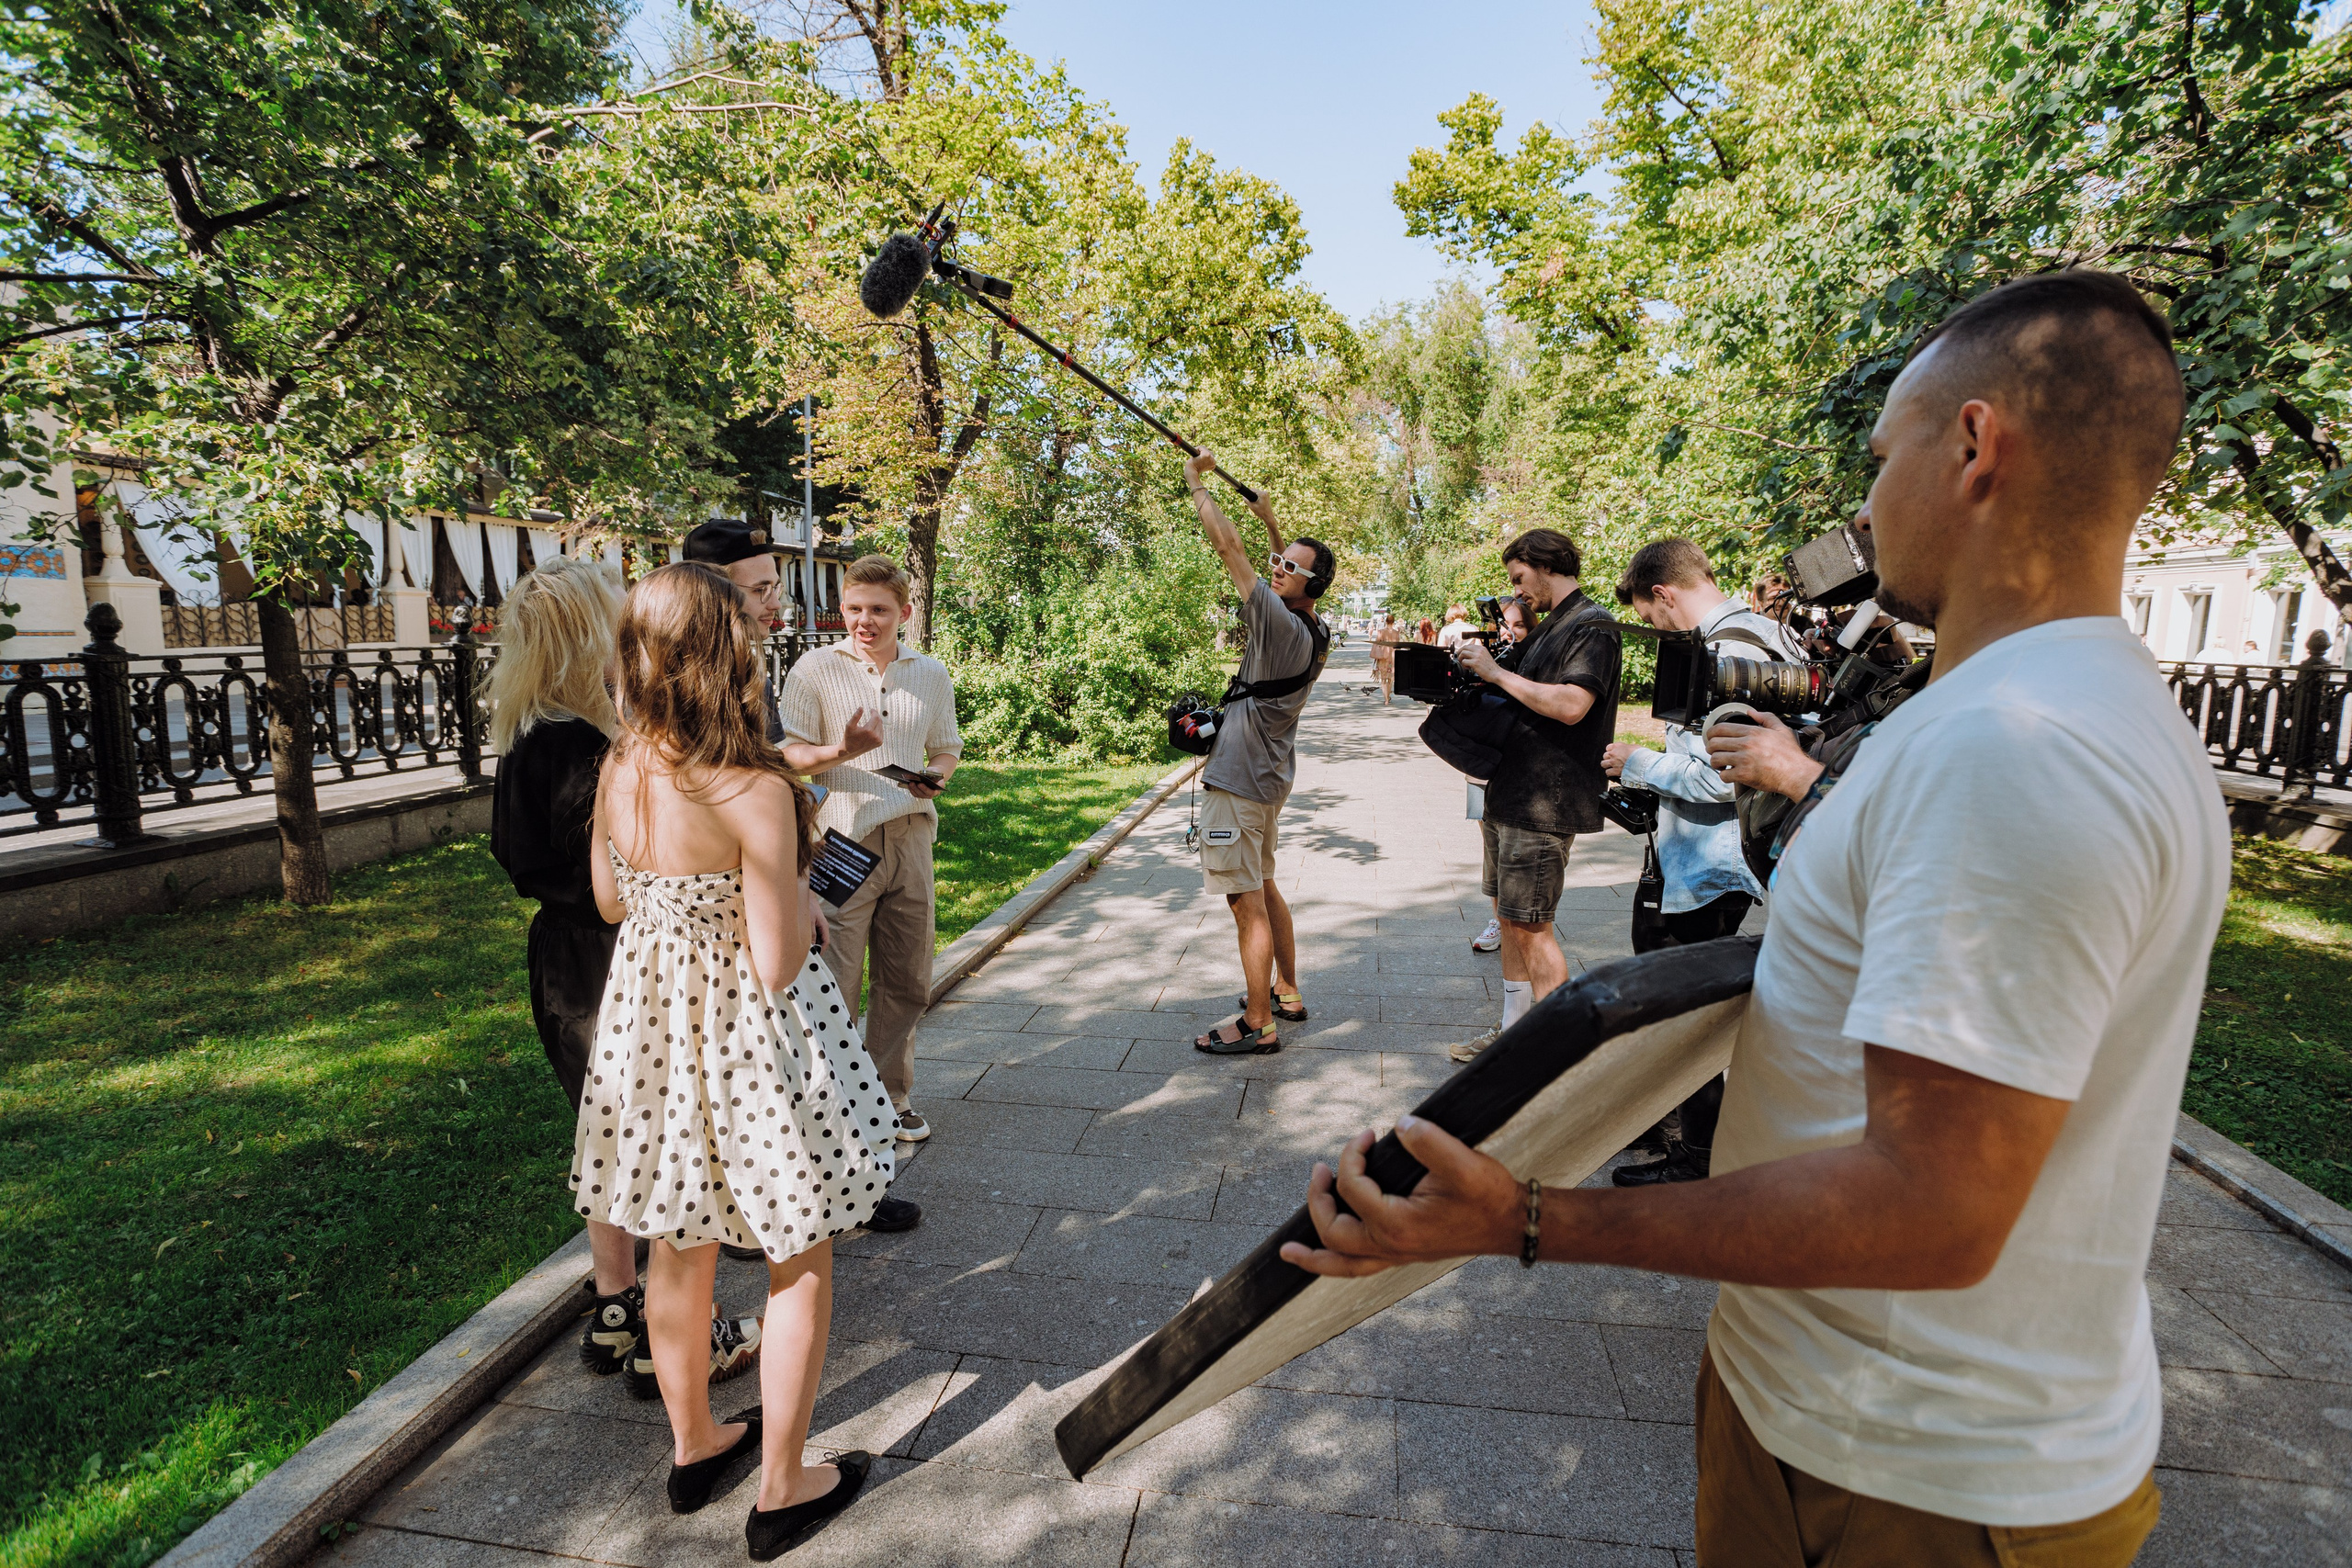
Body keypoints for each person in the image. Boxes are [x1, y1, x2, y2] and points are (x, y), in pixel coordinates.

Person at [1283, 270, 2225, 1567]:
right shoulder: (2051, 705)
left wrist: (1529, 1215)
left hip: (1919, 1476)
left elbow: (1936, 1206)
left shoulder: (2017, 746)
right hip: (1842, 1421)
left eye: (1882, 453)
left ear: (1973, 445)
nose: (1866, 498)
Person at [571, 563, 894, 1557]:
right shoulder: (752, 789)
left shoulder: (623, 765)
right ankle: (784, 1484)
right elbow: (775, 957)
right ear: (728, 655)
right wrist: (804, 881)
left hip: (654, 1033)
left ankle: (696, 1441)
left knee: (679, 1242)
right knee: (798, 1257)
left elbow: (611, 902)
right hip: (749, 1046)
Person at [489, 555, 764, 1395]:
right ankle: (667, 1329)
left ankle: (618, 1304)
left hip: (556, 957)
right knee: (660, 1143)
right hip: (616, 953)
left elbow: (516, 855)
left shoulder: (524, 738)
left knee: (605, 1135)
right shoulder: (588, 752)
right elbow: (618, 879)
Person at [1600, 537, 1807, 1186]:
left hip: (1711, 860)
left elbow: (1727, 774)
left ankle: (1696, 1154)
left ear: (1663, 593)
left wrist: (1635, 763)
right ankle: (1683, 1131)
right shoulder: (1764, 633)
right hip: (1717, 855)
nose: (1658, 631)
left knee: (1681, 1005)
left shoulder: (1731, 646)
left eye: (1653, 616)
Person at [781, 555, 960, 1161]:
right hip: (837, 842)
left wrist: (935, 776)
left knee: (908, 979)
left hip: (909, 836)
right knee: (834, 980)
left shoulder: (930, 673)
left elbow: (947, 748)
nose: (863, 620)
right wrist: (842, 749)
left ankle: (888, 1096)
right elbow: (788, 759)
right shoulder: (813, 669)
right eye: (853, 608)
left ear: (904, 612)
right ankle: (831, 1108)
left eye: (878, 610)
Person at [1446, 529, 1622, 1064]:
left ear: (1545, 564)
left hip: (1545, 798)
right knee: (1510, 918)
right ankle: (1514, 1035)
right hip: (1511, 790)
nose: (1517, 593)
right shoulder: (1550, 628)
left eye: (1520, 579)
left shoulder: (1592, 625)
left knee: (1532, 924)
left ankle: (1556, 1054)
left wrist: (1498, 672)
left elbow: (1572, 705)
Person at [1180, 448, 1334, 1055]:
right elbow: (1280, 567)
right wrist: (1273, 522)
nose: (1277, 568)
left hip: (1241, 782)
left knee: (1246, 905)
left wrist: (1197, 485)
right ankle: (1287, 990)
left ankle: (1258, 1019)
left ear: (1310, 585)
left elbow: (1230, 552)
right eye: (1280, 560)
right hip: (1265, 779)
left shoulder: (1277, 623)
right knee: (1266, 888)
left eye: (1290, 567)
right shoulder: (1313, 629)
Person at [1469, 597, 1535, 956]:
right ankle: (1498, 919)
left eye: (1519, 626)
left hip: (1518, 774)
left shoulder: (1535, 663)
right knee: (1489, 846)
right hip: (1481, 770)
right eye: (1503, 626)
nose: (1510, 634)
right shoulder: (1485, 660)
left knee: (1513, 852)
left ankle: (1514, 921)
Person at [1371, 613, 1402, 705]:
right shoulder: (1396, 633)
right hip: (1392, 657)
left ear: (1386, 621)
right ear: (1393, 622)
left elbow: (1377, 643)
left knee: (1383, 679)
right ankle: (1388, 695)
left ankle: (1386, 699)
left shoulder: (1381, 632)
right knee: (1390, 678)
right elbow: (1397, 645)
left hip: (1383, 657)